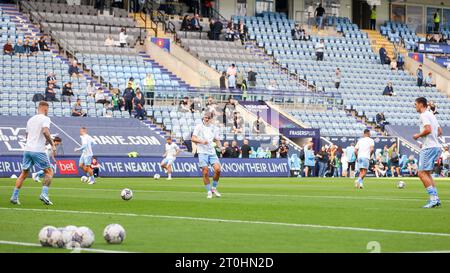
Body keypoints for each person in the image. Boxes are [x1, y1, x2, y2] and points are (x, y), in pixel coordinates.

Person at [10, 101, 56, 205]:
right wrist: (52, 144)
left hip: (27, 149)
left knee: (24, 174)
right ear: (45, 109)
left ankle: (14, 196)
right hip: (38, 150)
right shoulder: (45, 118)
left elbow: (27, 135)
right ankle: (44, 194)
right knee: (49, 172)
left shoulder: (30, 120)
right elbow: (45, 131)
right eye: (47, 110)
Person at [413, 97, 443, 208]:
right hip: (435, 146)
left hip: (429, 147)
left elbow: (428, 129)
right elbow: (439, 131)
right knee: (427, 173)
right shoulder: (432, 115)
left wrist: (418, 136)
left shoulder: (424, 115)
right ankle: (436, 198)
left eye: (415, 104)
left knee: (421, 173)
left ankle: (433, 199)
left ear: (421, 104)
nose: (415, 106)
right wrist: (431, 138)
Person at [192, 112, 222, 199]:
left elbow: (216, 140)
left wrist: (221, 147)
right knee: (205, 171)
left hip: (212, 152)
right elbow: (193, 138)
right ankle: (209, 191)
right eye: (205, 117)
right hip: (202, 152)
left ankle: (213, 188)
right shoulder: (199, 127)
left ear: (211, 119)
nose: (206, 119)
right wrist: (201, 141)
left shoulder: (214, 128)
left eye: (208, 118)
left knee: (218, 170)